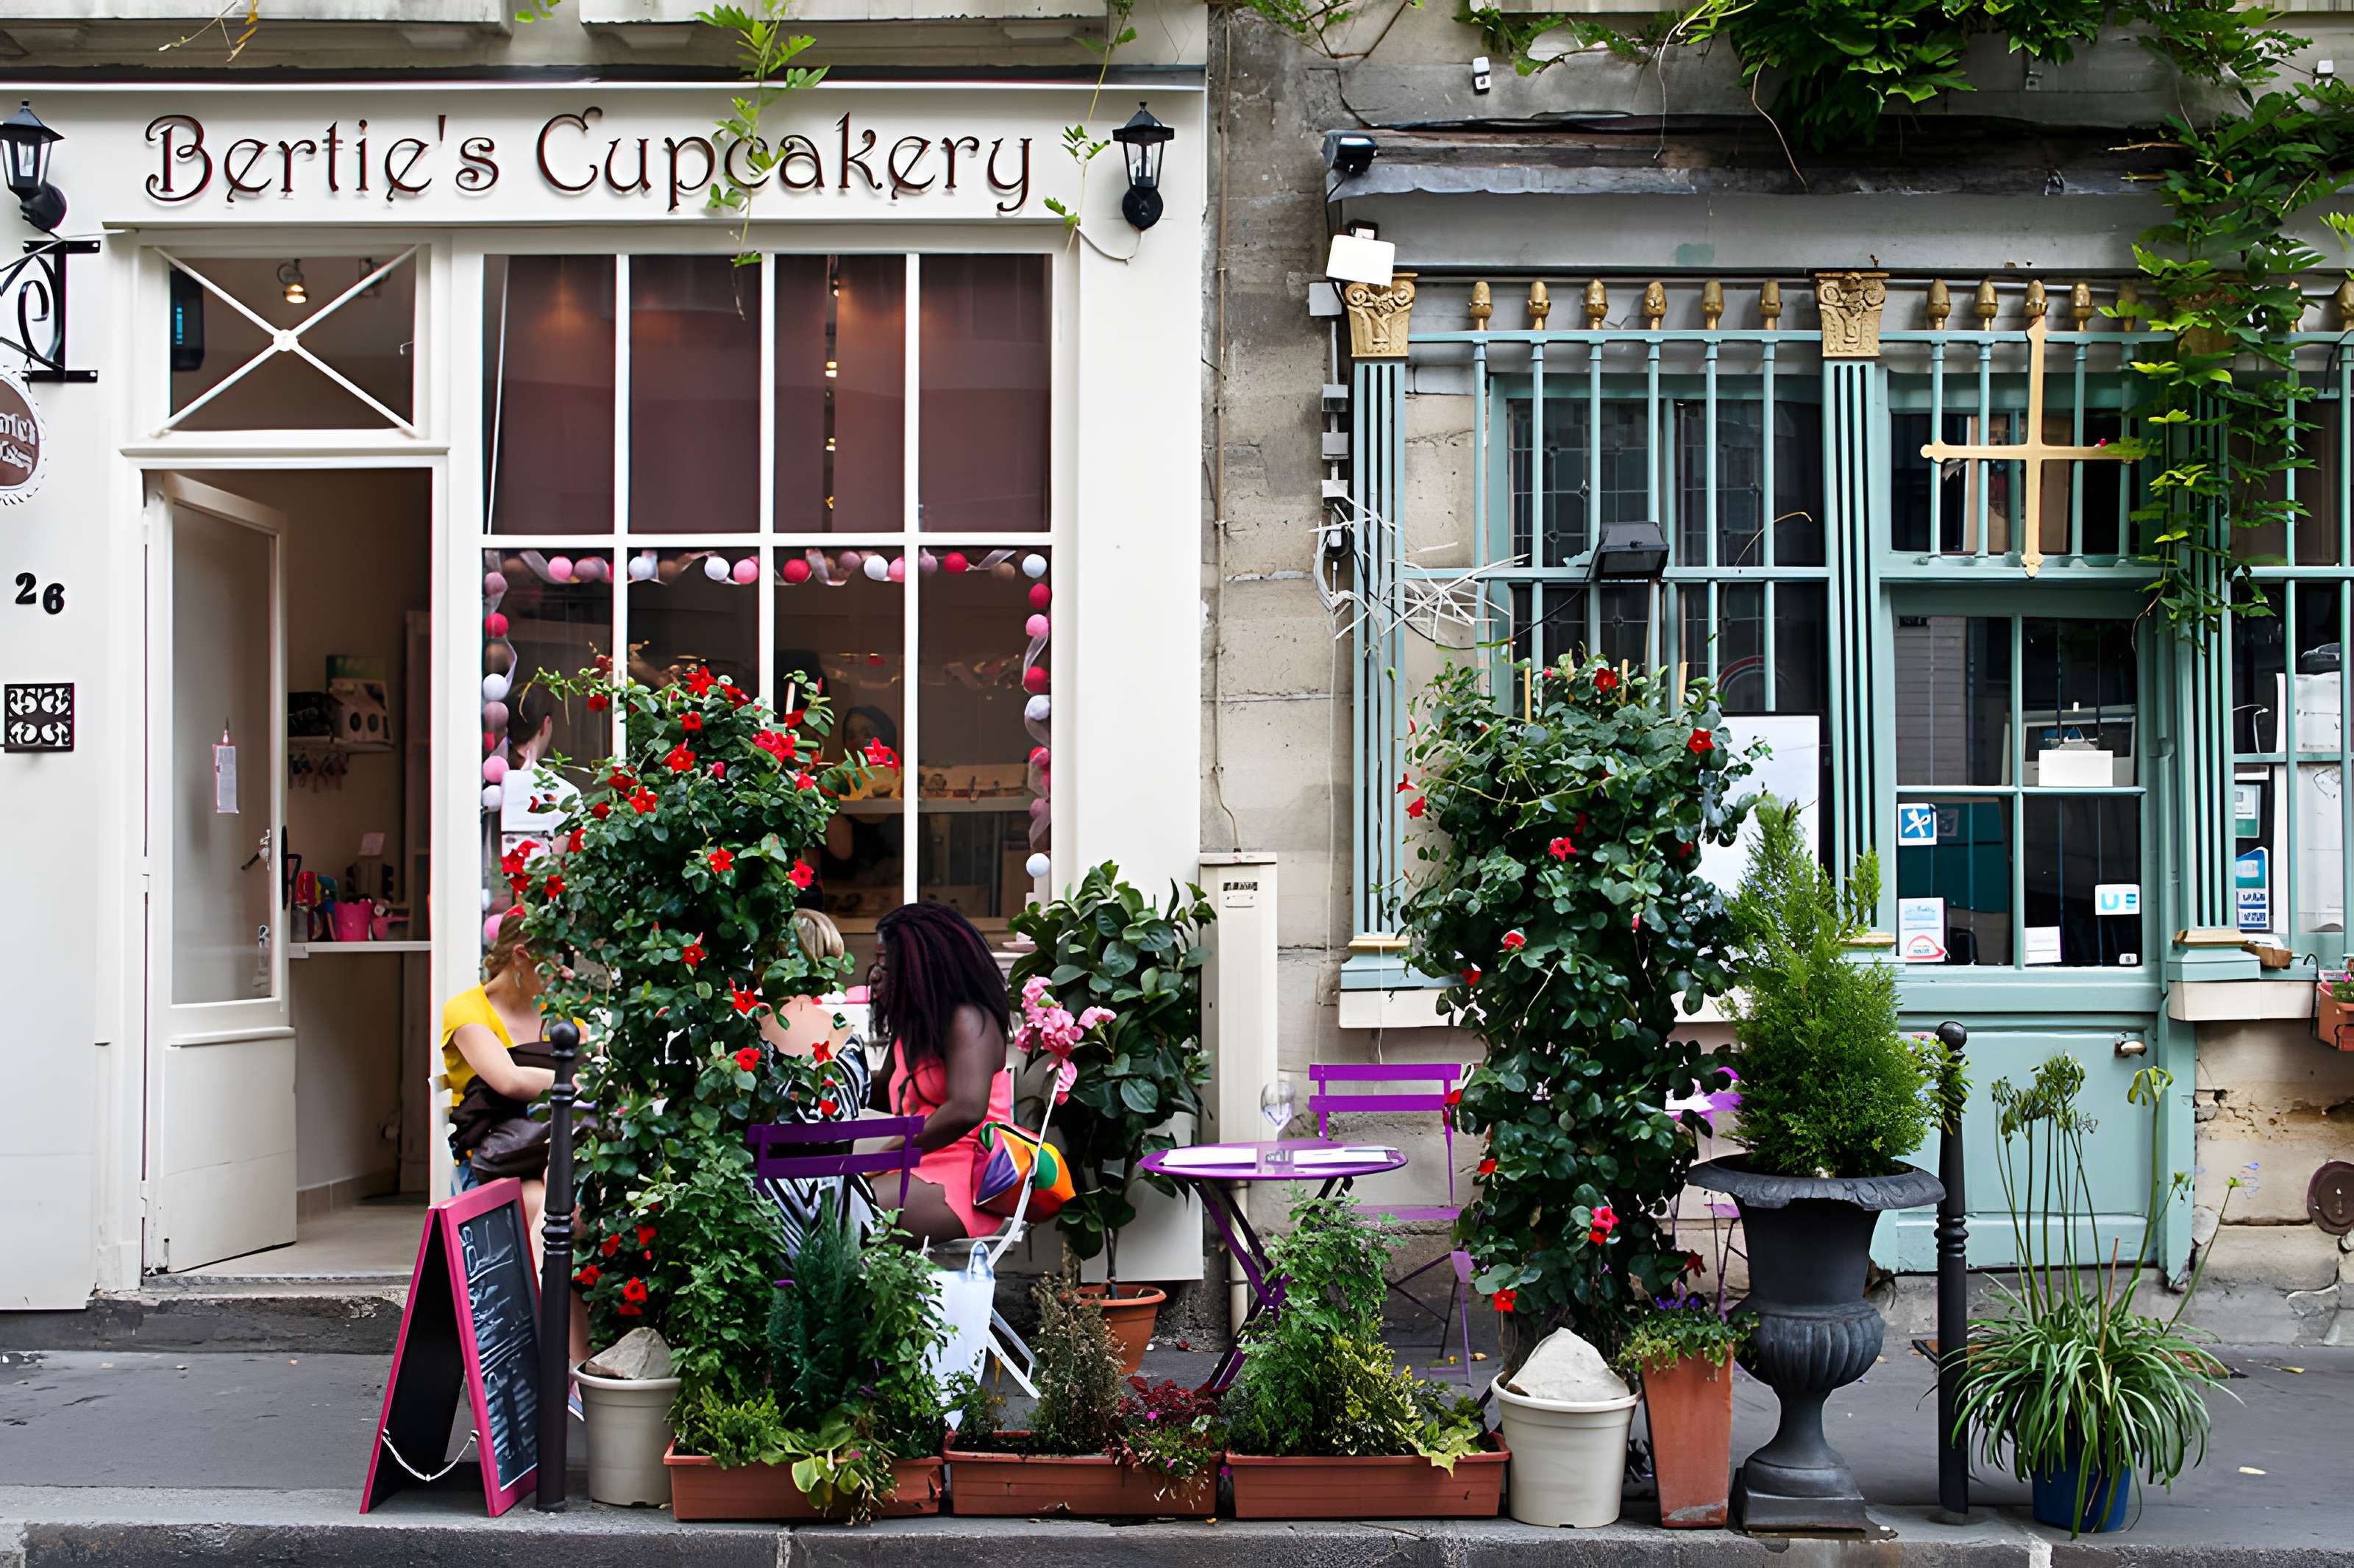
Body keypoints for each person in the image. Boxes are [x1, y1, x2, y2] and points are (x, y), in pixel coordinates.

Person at [442, 908, 591, 1380]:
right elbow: (508, 1080)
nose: (567, 972)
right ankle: (551, 1368)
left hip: (551, 1158)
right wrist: (573, 1083)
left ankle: (570, 1367)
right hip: (491, 1161)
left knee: (569, 1215)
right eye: (558, 959)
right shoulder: (467, 1010)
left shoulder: (561, 1012)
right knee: (552, 1213)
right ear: (523, 956)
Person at [867, 901, 1015, 1243]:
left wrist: (885, 1155)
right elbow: (887, 1089)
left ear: (918, 967)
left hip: (968, 1175)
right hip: (917, 1164)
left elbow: (965, 1110)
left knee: (845, 1211)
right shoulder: (915, 1027)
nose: (875, 975)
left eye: (886, 965)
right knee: (817, 1204)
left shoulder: (968, 1018)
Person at [753, 908, 877, 1260]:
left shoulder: (751, 1035)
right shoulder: (847, 1035)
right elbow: (858, 1106)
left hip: (769, 1217)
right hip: (844, 1215)